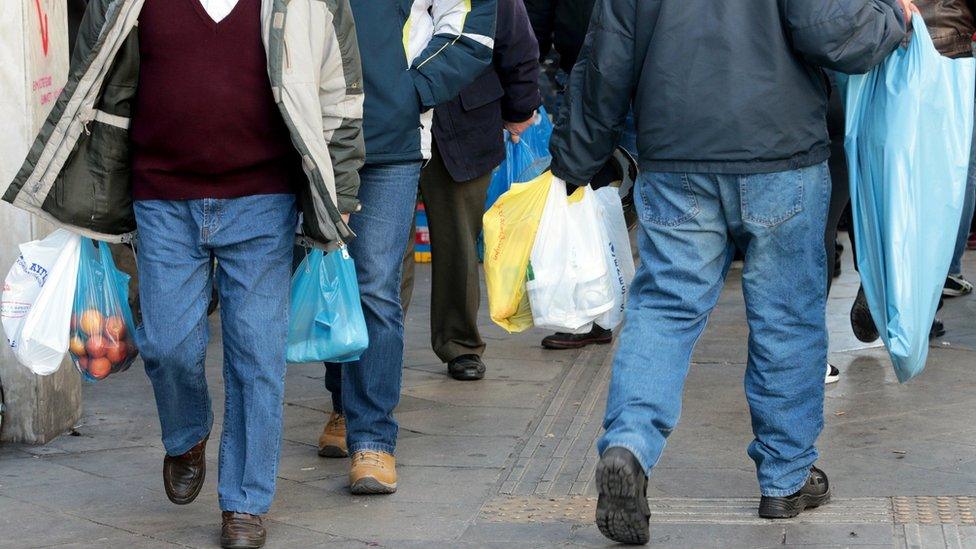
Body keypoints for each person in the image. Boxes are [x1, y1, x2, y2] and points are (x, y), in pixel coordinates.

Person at [546, 0, 911, 544]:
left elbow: (605, 60)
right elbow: (831, 28)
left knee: (665, 308)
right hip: (781, 150)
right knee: (787, 316)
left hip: (676, 153)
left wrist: (576, 156)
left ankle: (629, 443)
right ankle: (787, 478)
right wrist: (895, 19)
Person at [4, 1, 365, 547]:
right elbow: (90, 82)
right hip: (162, 199)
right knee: (168, 343)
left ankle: (245, 503)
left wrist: (338, 190)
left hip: (263, 199)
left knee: (256, 355)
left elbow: (341, 97)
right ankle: (188, 434)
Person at [316, 0, 497, 494]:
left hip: (390, 141)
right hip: (310, 131)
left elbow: (471, 23)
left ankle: (372, 437)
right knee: (332, 275)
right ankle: (342, 404)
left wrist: (408, 90)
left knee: (375, 285)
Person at [395, 0, 542, 382]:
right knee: (389, 247)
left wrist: (521, 108)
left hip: (463, 122)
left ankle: (460, 344)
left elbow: (515, 40)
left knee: (460, 242)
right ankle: (381, 347)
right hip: (393, 120)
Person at [525, 0, 637, 351]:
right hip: (584, 77)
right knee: (581, 197)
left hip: (644, 81)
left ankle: (650, 315)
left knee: (653, 201)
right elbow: (537, 20)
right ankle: (593, 312)